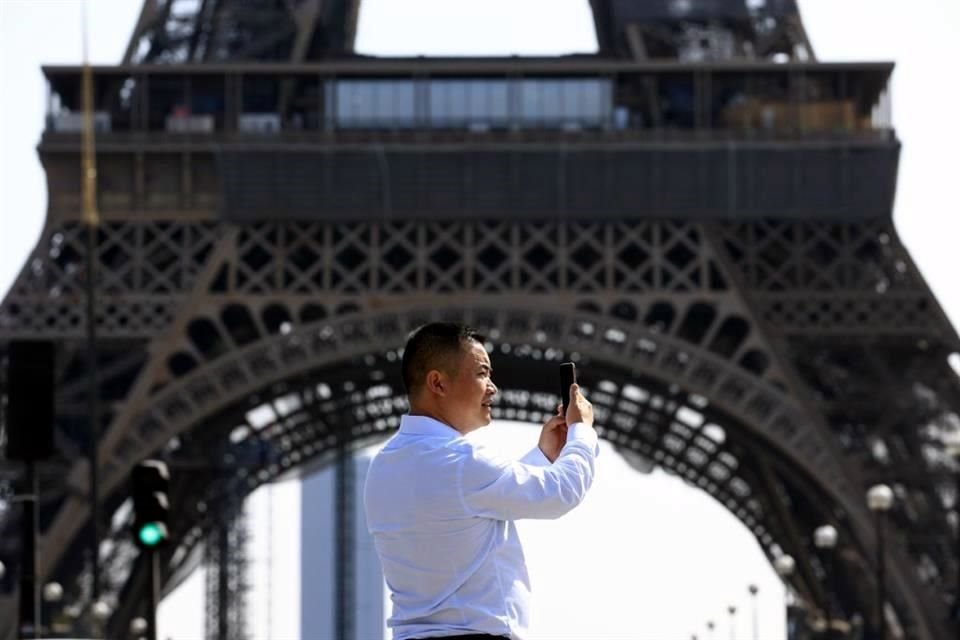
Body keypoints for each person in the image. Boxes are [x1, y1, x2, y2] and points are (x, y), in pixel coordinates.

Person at [364, 322, 600, 640]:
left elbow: (468, 506)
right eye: (482, 373)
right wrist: (581, 431)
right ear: (438, 382)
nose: (493, 387)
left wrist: (543, 456)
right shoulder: (463, 462)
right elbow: (561, 493)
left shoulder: (385, 466)